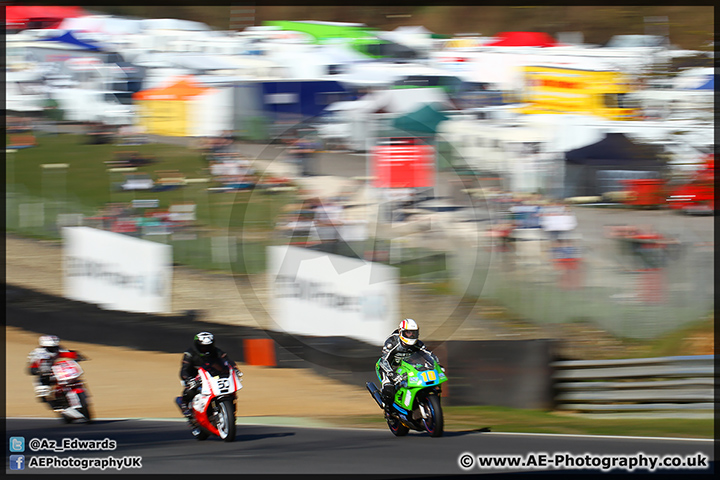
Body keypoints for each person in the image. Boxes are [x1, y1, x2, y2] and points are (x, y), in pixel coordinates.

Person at [377, 319, 441, 415]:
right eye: (408, 333)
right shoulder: (392, 342)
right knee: (389, 388)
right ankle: (388, 411)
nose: (411, 335)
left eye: (414, 333)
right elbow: (384, 360)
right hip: (389, 368)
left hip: (407, 367)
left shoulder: (418, 344)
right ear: (401, 332)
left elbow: (428, 354)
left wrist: (436, 364)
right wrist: (391, 374)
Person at [177, 332, 241, 420]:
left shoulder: (217, 351)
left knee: (229, 390)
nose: (206, 349)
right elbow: (184, 369)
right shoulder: (190, 353)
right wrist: (188, 379)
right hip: (195, 376)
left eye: (208, 346)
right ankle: (184, 404)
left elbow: (228, 360)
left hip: (212, 375)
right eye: (203, 347)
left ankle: (230, 410)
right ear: (197, 345)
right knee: (190, 390)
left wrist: (235, 369)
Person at [27, 335, 85, 409]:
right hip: (44, 375)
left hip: (56, 371)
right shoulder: (37, 354)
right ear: (44, 346)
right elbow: (31, 368)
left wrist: (78, 356)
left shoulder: (58, 349)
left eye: (54, 347)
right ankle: (55, 406)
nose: (53, 349)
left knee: (73, 379)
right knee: (43, 394)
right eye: (50, 348)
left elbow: (68, 353)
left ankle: (76, 394)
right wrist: (37, 371)